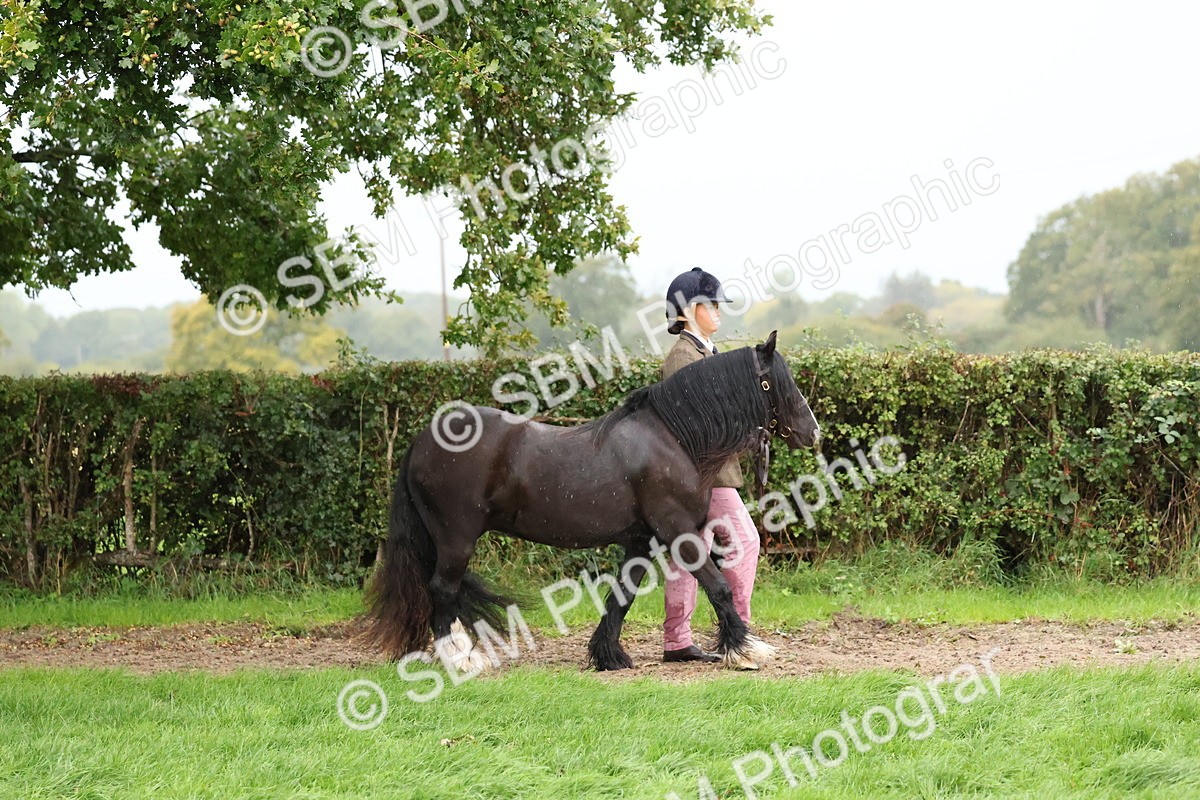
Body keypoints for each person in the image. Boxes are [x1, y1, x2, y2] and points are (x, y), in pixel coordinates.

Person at [659, 267, 762, 663]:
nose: (719, 312)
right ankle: (740, 632)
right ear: (688, 310)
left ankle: (677, 640)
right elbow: (695, 420)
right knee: (744, 542)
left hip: (712, 473)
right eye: (711, 304)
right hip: (704, 474)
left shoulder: (707, 354)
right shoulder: (682, 358)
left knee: (688, 554)